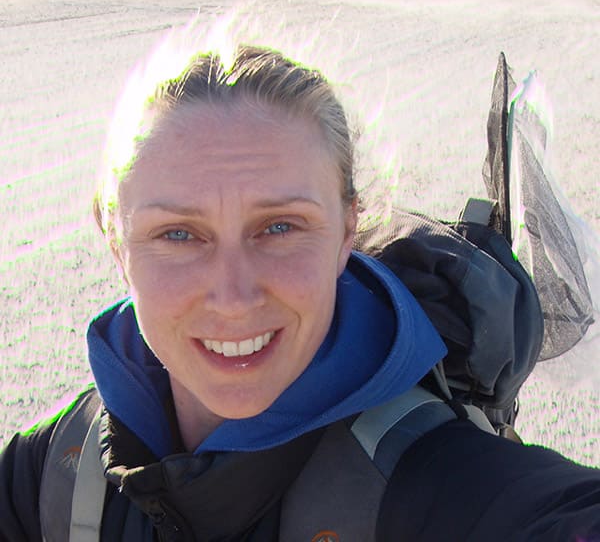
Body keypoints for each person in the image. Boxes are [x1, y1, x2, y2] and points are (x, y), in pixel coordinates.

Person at [1, 33, 599, 542]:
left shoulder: (434, 482)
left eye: (279, 227)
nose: (233, 297)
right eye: (179, 234)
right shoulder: (58, 467)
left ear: (347, 233)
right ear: (116, 244)